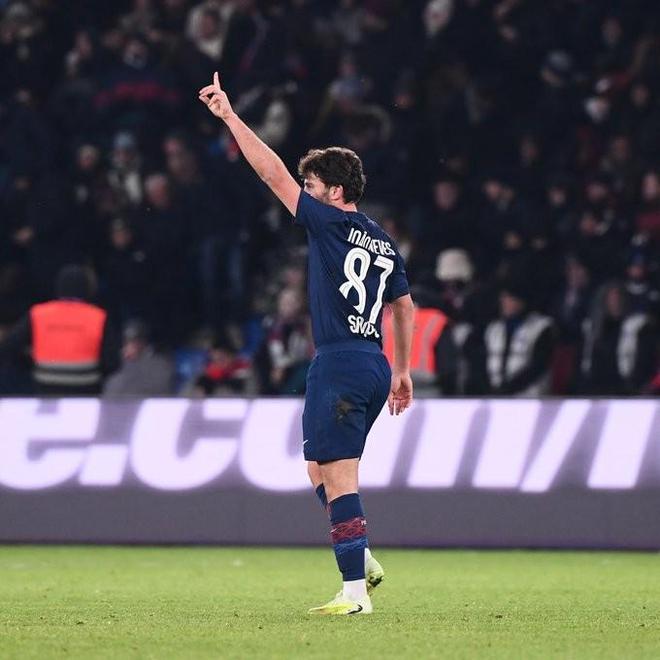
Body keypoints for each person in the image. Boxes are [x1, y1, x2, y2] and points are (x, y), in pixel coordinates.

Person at [199, 72, 415, 615]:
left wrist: (230, 117)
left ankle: (355, 594)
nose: (306, 193)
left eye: (313, 185)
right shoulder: (384, 242)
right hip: (373, 363)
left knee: (339, 478)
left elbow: (271, 173)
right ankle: (361, 556)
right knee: (317, 468)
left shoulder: (327, 223)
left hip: (340, 362)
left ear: (335, 192)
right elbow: (405, 305)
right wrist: (402, 370)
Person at [0, 265, 119, 395]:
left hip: (46, 388)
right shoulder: (99, 317)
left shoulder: (38, 314)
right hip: (86, 390)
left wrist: (31, 360)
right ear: (87, 289)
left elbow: (8, 346)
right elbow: (112, 362)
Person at [103, 320, 175, 397]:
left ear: (145, 343)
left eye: (135, 341)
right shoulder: (115, 378)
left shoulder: (161, 367)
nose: (129, 347)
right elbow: (112, 391)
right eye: (127, 342)